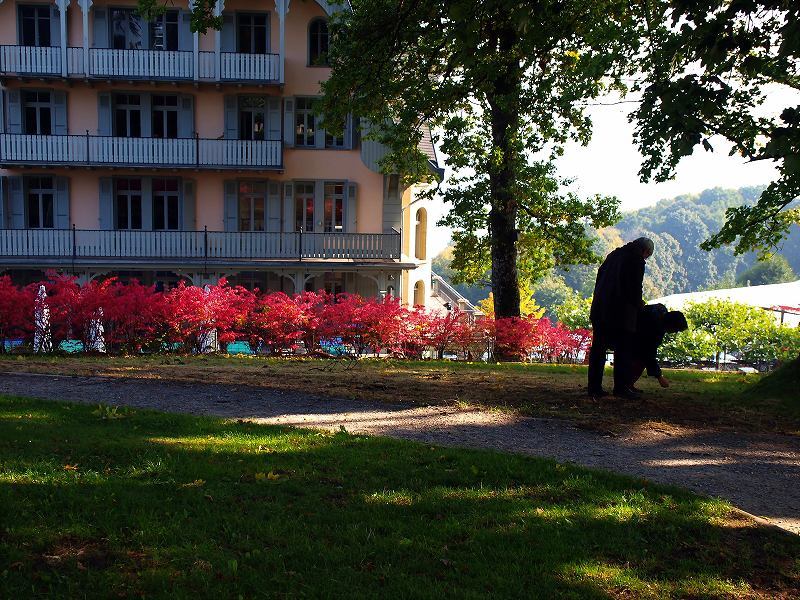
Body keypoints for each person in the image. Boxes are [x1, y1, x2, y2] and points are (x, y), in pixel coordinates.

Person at [587, 237, 654, 400]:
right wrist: (640, 307)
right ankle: (621, 387)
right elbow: (634, 288)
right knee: (623, 350)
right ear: (645, 251)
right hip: (621, 312)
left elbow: (599, 280)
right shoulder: (636, 260)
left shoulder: (613, 255)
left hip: (600, 308)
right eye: (647, 256)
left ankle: (594, 388)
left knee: (598, 350)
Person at [629, 304, 688, 392]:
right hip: (630, 337)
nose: (675, 332)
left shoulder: (658, 314)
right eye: (676, 330)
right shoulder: (654, 328)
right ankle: (626, 385)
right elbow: (649, 353)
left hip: (631, 333)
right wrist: (659, 377)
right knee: (640, 361)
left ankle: (628, 384)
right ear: (671, 325)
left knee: (640, 360)